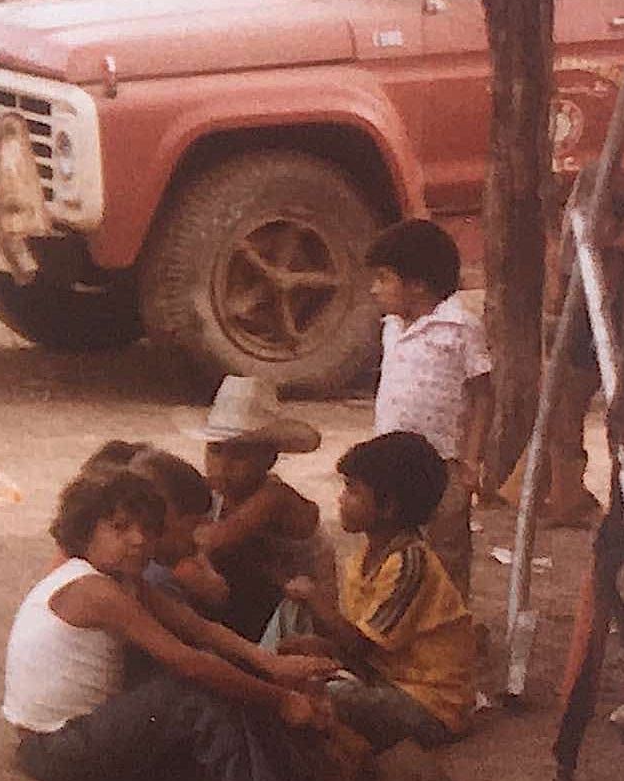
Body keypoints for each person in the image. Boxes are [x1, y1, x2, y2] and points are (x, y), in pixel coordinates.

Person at [5, 464, 330, 781]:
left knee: (227, 681)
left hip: (85, 734)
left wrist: (268, 664)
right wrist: (280, 699)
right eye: (120, 528)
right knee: (194, 690)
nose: (138, 540)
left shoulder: (124, 582)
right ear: (86, 530)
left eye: (146, 528)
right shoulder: (93, 590)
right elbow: (188, 662)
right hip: (54, 748)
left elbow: (200, 629)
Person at [279, 432, 477, 752]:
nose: (342, 499)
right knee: (298, 671)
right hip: (386, 680)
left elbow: (361, 645)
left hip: (430, 703)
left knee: (316, 698)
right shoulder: (363, 561)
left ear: (388, 506)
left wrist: (315, 598)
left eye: (353, 490)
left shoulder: (410, 564)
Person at [365, 219, 491, 595]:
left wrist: (471, 459)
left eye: (383, 279)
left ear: (417, 284)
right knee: (387, 543)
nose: (375, 289)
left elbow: (482, 393)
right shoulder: (391, 326)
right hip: (389, 459)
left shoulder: (459, 328)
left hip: (440, 461)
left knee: (445, 550)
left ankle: (449, 626)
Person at [175, 378, 327, 642]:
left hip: (298, 619)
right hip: (254, 608)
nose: (223, 465)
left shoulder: (275, 497)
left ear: (269, 458)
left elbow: (215, 540)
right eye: (216, 451)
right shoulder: (213, 493)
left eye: (239, 455)